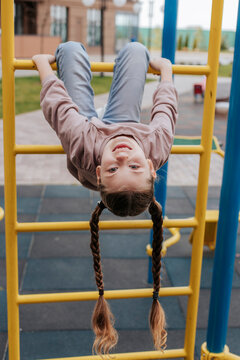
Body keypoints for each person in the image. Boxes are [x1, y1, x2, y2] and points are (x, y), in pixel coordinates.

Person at [32, 41, 178, 355]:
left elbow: (58, 106)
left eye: (114, 168)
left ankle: (67, 59)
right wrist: (165, 71)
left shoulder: (84, 146)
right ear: (151, 166)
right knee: (137, 51)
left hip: (91, 131)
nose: (123, 157)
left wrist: (42, 64)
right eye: (135, 166)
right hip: (125, 124)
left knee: (69, 51)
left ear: (100, 173)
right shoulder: (155, 144)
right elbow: (165, 108)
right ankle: (133, 61)